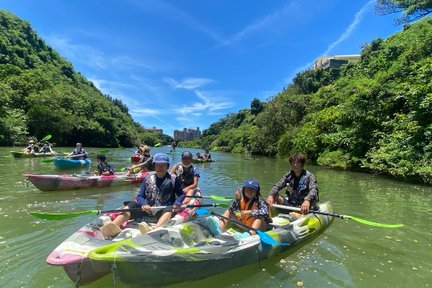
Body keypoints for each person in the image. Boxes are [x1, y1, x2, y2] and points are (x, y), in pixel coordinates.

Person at [102, 153, 185, 237]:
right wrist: (144, 204)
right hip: (147, 210)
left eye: (163, 165)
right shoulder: (148, 178)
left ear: (167, 166)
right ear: (154, 166)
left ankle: (154, 229)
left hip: (163, 211)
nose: (160, 168)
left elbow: (181, 194)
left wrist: (178, 202)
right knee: (132, 204)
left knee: (170, 208)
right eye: (158, 165)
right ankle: (114, 226)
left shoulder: (174, 179)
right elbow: (140, 196)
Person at [205, 178, 270, 239]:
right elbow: (232, 209)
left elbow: (265, 212)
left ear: (257, 191)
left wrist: (248, 212)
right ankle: (219, 229)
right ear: (243, 190)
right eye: (248, 189)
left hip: (257, 229)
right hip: (244, 225)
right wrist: (237, 200)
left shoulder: (260, 201)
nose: (250, 192)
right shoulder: (241, 200)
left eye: (253, 190)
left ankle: (249, 234)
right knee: (229, 211)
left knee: (259, 217)